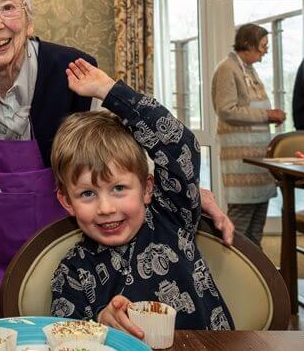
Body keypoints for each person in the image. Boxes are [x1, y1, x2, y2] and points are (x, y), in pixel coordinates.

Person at [0, 0, 233, 322]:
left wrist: (184, 192)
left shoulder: (75, 71)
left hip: (67, 258)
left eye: (7, 8)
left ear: (29, 16)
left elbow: (122, 157)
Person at [50, 58, 234, 333]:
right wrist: (100, 322)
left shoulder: (172, 214)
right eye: (87, 193)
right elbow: (63, 336)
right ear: (67, 201)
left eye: (119, 188)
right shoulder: (73, 270)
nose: (106, 208)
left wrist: (111, 92)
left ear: (148, 188)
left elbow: (179, 145)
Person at [211, 23, 285, 246]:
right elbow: (226, 110)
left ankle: (256, 272)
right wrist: (266, 114)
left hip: (258, 160)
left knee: (257, 220)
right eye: (262, 45)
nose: (265, 51)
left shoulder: (248, 69)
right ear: (247, 44)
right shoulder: (227, 69)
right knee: (240, 224)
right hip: (241, 163)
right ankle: (236, 274)